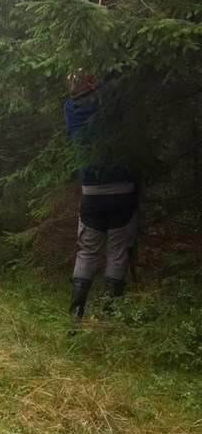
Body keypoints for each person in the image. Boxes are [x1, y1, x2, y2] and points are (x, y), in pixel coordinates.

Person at [64, 69, 138, 319]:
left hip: (91, 192)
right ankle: (109, 312)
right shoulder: (103, 98)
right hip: (122, 189)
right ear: (89, 82)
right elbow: (119, 81)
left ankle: (76, 313)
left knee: (86, 251)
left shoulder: (69, 109)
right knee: (117, 251)